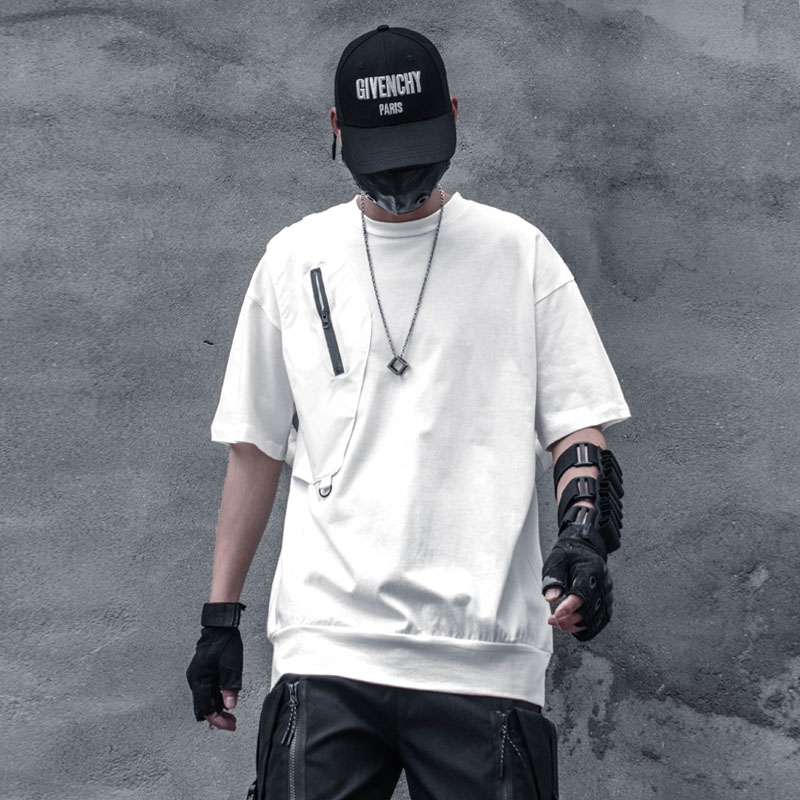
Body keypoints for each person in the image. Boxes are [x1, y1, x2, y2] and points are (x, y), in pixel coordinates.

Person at [187, 24, 631, 800]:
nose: (399, 173)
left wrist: (584, 536)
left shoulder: (519, 254)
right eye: (379, 151)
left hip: (482, 650)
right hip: (327, 646)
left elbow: (576, 423)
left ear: (453, 116)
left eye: (415, 146)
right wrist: (219, 619)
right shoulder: (294, 259)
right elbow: (255, 449)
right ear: (336, 130)